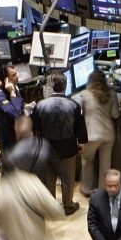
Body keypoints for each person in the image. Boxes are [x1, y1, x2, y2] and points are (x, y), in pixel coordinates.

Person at [32, 71, 88, 213]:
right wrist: (81, 143)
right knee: (68, 178)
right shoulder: (74, 105)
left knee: (49, 178)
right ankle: (68, 205)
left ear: (51, 86)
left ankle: (51, 206)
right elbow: (80, 128)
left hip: (47, 148)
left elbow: (35, 128)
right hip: (68, 148)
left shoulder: (40, 105)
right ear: (65, 86)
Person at [77, 68, 118, 196]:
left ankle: (86, 189)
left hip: (91, 135)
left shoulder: (84, 94)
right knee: (105, 165)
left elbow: (75, 110)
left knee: (87, 161)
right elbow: (115, 114)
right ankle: (103, 191)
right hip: (108, 135)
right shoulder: (111, 93)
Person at [0, 64, 23, 170]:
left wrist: (26, 106)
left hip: (17, 133)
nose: (17, 76)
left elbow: (19, 105)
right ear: (6, 78)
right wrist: (12, 93)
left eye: (16, 73)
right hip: (7, 136)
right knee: (10, 169)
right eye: (13, 75)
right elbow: (15, 113)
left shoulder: (14, 86)